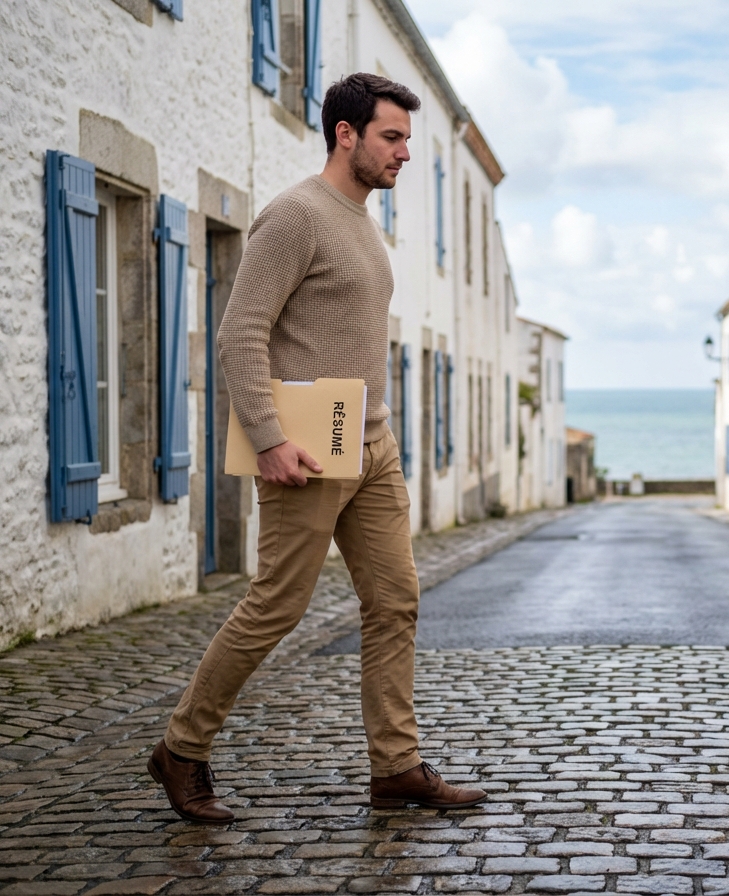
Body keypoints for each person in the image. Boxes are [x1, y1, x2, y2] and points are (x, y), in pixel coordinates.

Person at [146, 73, 486, 824]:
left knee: (395, 602)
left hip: (374, 446)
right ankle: (182, 747)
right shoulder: (296, 216)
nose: (403, 153)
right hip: (305, 451)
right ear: (346, 134)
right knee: (278, 606)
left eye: (406, 139)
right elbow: (241, 332)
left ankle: (395, 767)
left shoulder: (362, 219)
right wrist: (267, 438)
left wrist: (382, 433)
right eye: (391, 137)